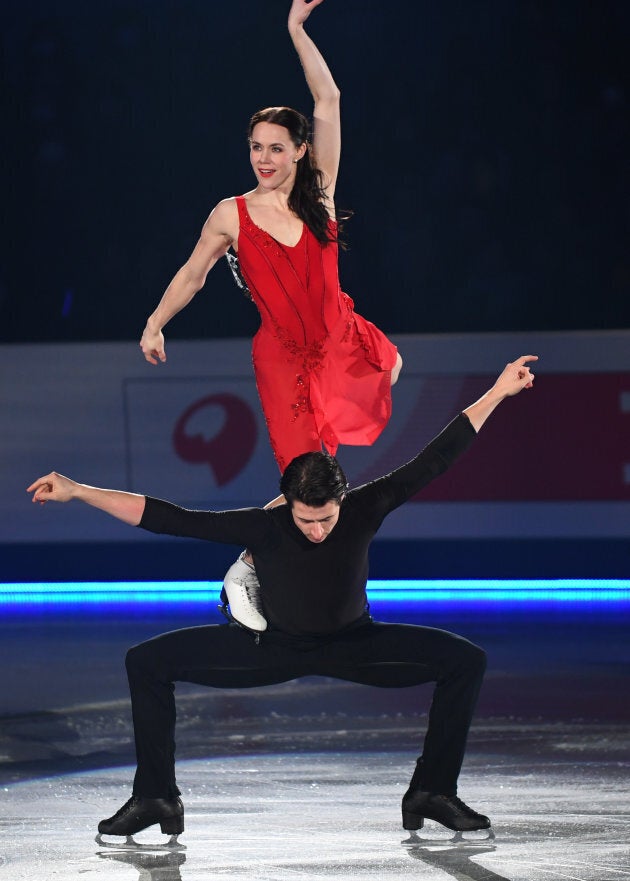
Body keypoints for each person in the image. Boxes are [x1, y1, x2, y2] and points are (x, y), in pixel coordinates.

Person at [27, 355, 537, 840]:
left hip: (355, 642)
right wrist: (80, 491)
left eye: (326, 518)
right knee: (146, 662)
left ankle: (431, 791)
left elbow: (435, 459)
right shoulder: (265, 526)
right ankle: (155, 797)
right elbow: (168, 518)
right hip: (270, 647)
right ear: (286, 503)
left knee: (465, 661)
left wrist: (497, 391)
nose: (316, 530)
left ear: (342, 500)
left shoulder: (366, 507)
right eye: (304, 519)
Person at [139, 0, 402, 631]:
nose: (262, 157)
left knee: (386, 374)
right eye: (255, 147)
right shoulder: (230, 214)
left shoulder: (320, 192)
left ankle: (283, 570)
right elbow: (193, 273)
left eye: (275, 147)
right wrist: (156, 320)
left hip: (339, 338)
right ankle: (248, 569)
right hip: (285, 358)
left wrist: (295, 31)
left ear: (300, 150)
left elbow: (329, 96)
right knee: (309, 476)